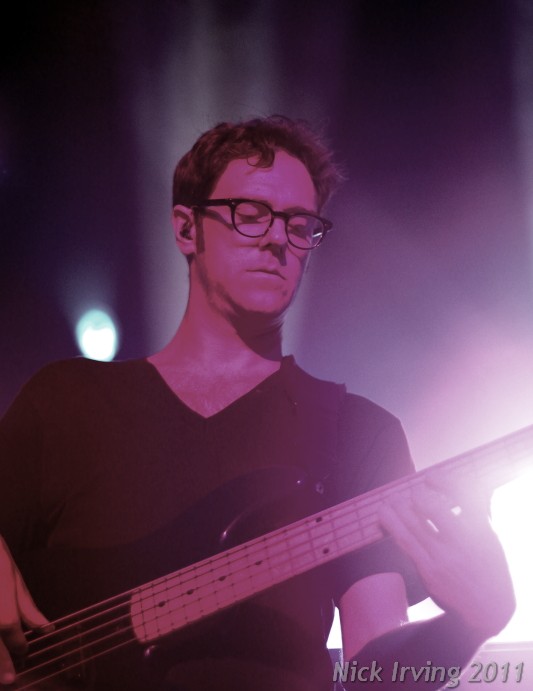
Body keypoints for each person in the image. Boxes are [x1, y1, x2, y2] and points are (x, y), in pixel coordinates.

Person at [0, 116, 515, 691]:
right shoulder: (65, 401)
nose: (277, 239)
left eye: (300, 225)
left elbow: (377, 676)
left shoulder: (356, 433)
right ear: (186, 229)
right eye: (250, 214)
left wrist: (470, 625)